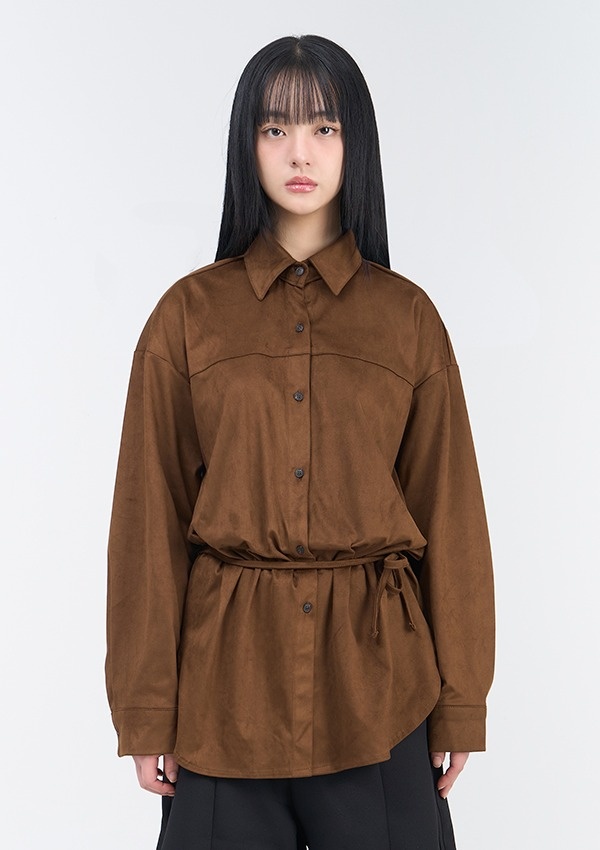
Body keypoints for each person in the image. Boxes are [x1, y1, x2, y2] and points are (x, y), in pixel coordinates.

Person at [105, 34, 495, 850]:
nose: (299, 153)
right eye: (274, 128)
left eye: (324, 127)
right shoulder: (188, 317)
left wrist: (461, 701)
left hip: (381, 696)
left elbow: (451, 513)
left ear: (357, 143)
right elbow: (149, 524)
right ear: (247, 144)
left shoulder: (407, 319)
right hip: (225, 699)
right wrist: (145, 708)